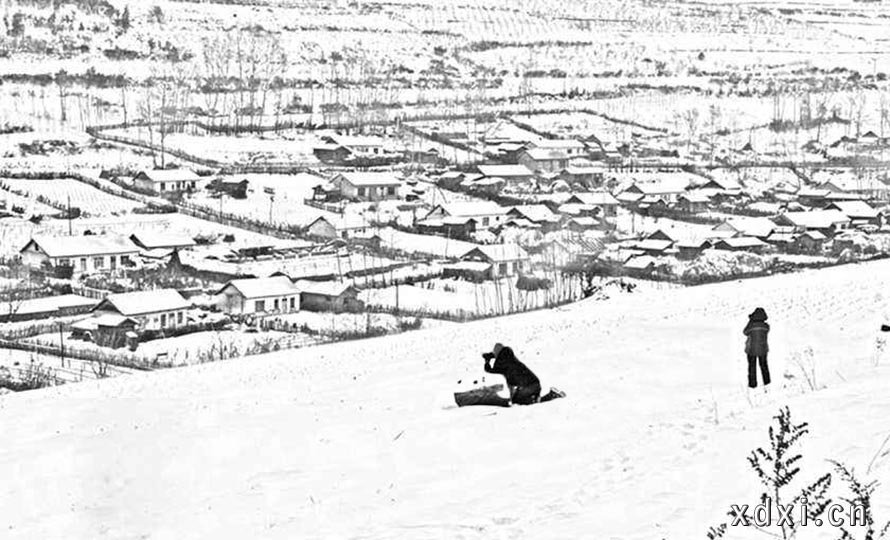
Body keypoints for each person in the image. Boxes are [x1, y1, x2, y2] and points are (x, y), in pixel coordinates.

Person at [743, 307, 771, 388]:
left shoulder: (751, 325)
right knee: (764, 366)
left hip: (751, 349)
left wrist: (750, 321)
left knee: (752, 367)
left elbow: (745, 332)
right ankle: (767, 383)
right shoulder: (766, 326)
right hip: (763, 349)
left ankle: (752, 385)